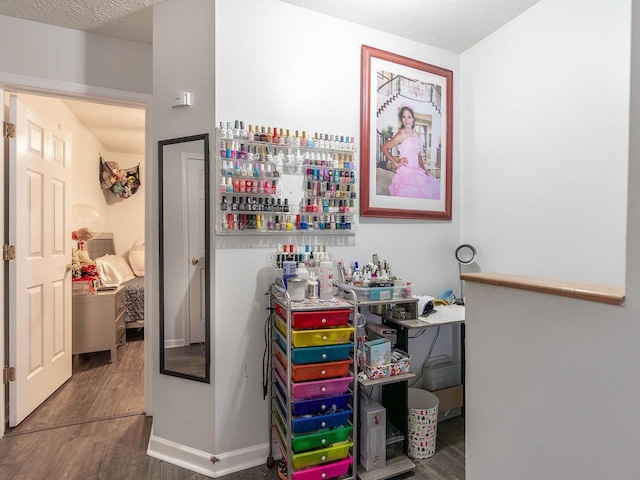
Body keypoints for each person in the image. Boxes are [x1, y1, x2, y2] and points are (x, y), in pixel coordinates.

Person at [381, 106, 440, 199]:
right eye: (404, 117)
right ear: (401, 119)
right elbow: (384, 148)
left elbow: (419, 156)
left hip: (417, 169)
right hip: (405, 172)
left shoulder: (417, 135)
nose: (406, 120)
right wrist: (396, 162)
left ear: (413, 119)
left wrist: (425, 170)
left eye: (409, 117)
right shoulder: (400, 135)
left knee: (431, 188)